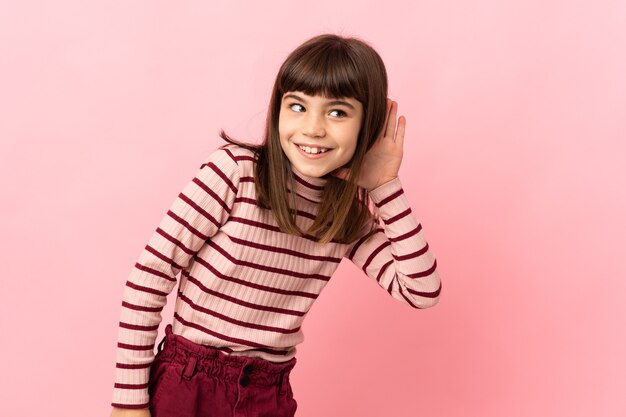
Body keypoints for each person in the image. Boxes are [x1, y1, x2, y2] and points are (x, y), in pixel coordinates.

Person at [109, 33, 442, 417]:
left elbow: (422, 291)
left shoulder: (348, 214)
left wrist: (385, 185)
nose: (313, 128)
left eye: (337, 113)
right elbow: (149, 277)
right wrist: (128, 403)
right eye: (297, 106)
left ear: (369, 124)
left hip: (267, 393)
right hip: (190, 382)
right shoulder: (236, 173)